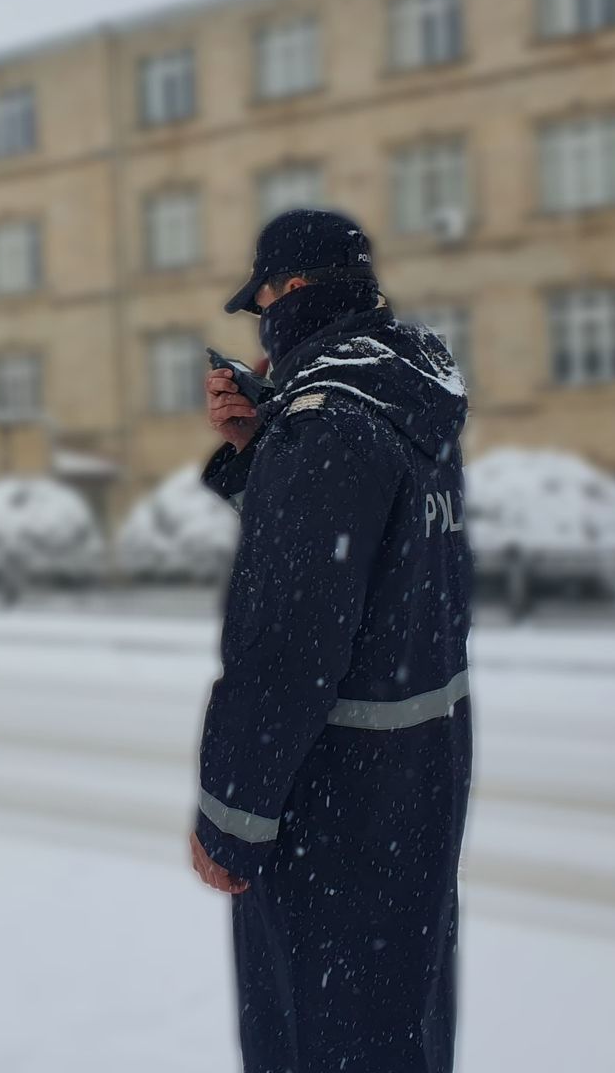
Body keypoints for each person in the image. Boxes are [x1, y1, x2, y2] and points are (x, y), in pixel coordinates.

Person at [188, 208, 474, 1073]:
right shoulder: (406, 391)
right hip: (418, 780)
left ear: (294, 290)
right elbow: (367, 563)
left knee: (319, 1033)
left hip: (333, 799)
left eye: (263, 302)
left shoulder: (326, 422)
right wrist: (261, 447)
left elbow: (286, 644)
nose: (261, 324)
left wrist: (231, 818)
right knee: (397, 1020)